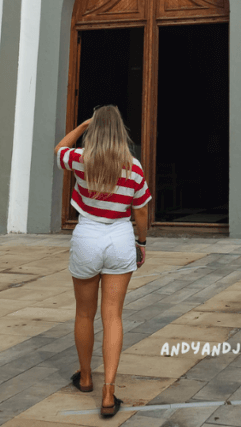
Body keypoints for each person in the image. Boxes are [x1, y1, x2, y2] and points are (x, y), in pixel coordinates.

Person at [55, 105, 151, 419]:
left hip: (87, 235)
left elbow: (59, 150)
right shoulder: (133, 166)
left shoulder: (82, 160)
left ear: (95, 130)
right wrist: (141, 242)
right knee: (113, 317)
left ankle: (85, 378)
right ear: (120, 131)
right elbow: (140, 211)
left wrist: (83, 124)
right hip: (120, 237)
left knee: (85, 313)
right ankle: (108, 392)